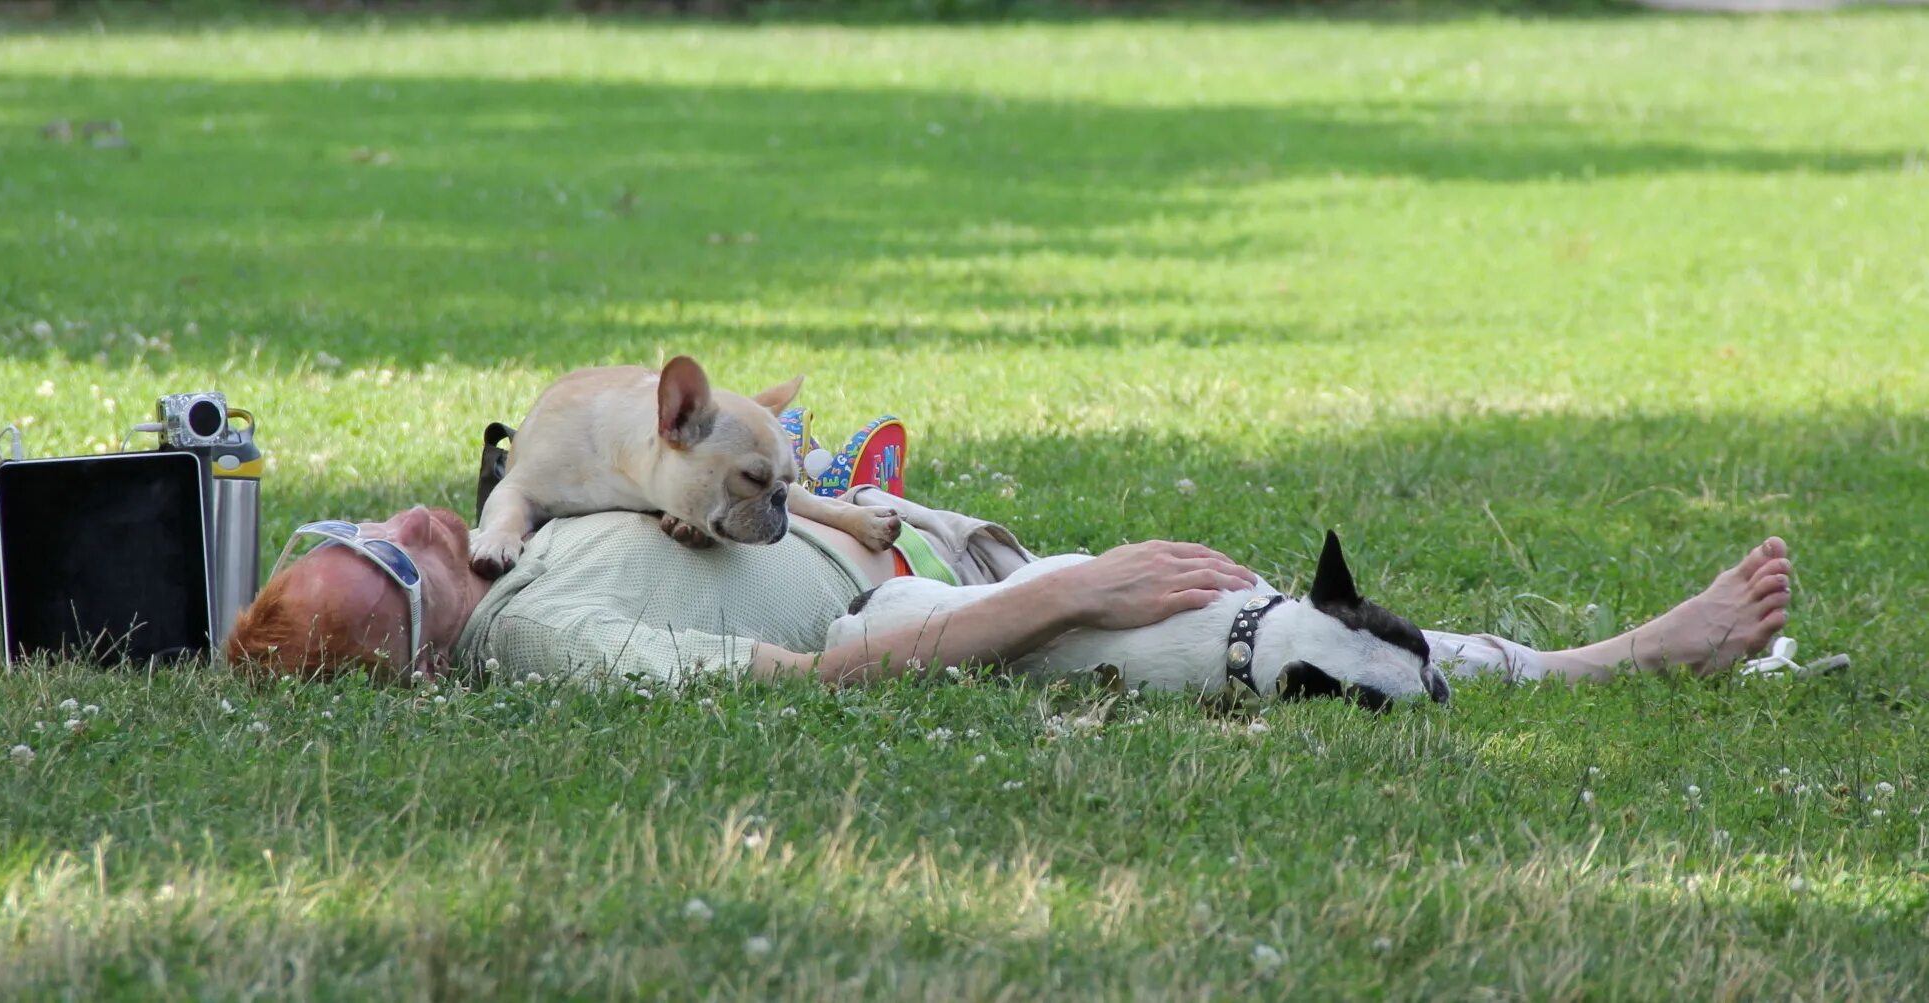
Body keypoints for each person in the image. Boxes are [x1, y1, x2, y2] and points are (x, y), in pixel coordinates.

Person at [226, 487, 1794, 694]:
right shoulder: (550, 637)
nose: (404, 516)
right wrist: (1057, 600)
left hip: (920, 556)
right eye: (383, 552)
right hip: (901, 625)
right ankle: (1617, 663)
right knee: (1222, 627)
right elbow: (801, 687)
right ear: (414, 638)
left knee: (1197, 592)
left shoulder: (518, 546)